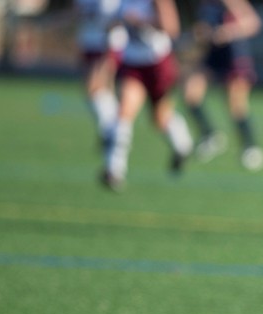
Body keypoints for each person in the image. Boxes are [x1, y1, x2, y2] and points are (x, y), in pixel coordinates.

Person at [101, 0, 193, 191]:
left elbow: (171, 29)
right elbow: (114, 25)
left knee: (159, 119)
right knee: (124, 112)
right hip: (132, 63)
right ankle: (114, 169)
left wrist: (141, 21)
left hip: (158, 64)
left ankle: (182, 143)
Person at [183, 0, 263, 172]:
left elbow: (252, 23)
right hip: (212, 56)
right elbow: (204, 27)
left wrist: (228, 32)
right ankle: (209, 134)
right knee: (190, 93)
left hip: (233, 55)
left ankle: (250, 147)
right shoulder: (204, 4)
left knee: (236, 105)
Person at [74, 0, 127, 146]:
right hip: (88, 42)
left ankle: (109, 131)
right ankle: (115, 129)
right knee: (101, 90)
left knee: (94, 87)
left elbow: (117, 19)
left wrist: (109, 46)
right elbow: (79, 14)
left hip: (107, 44)